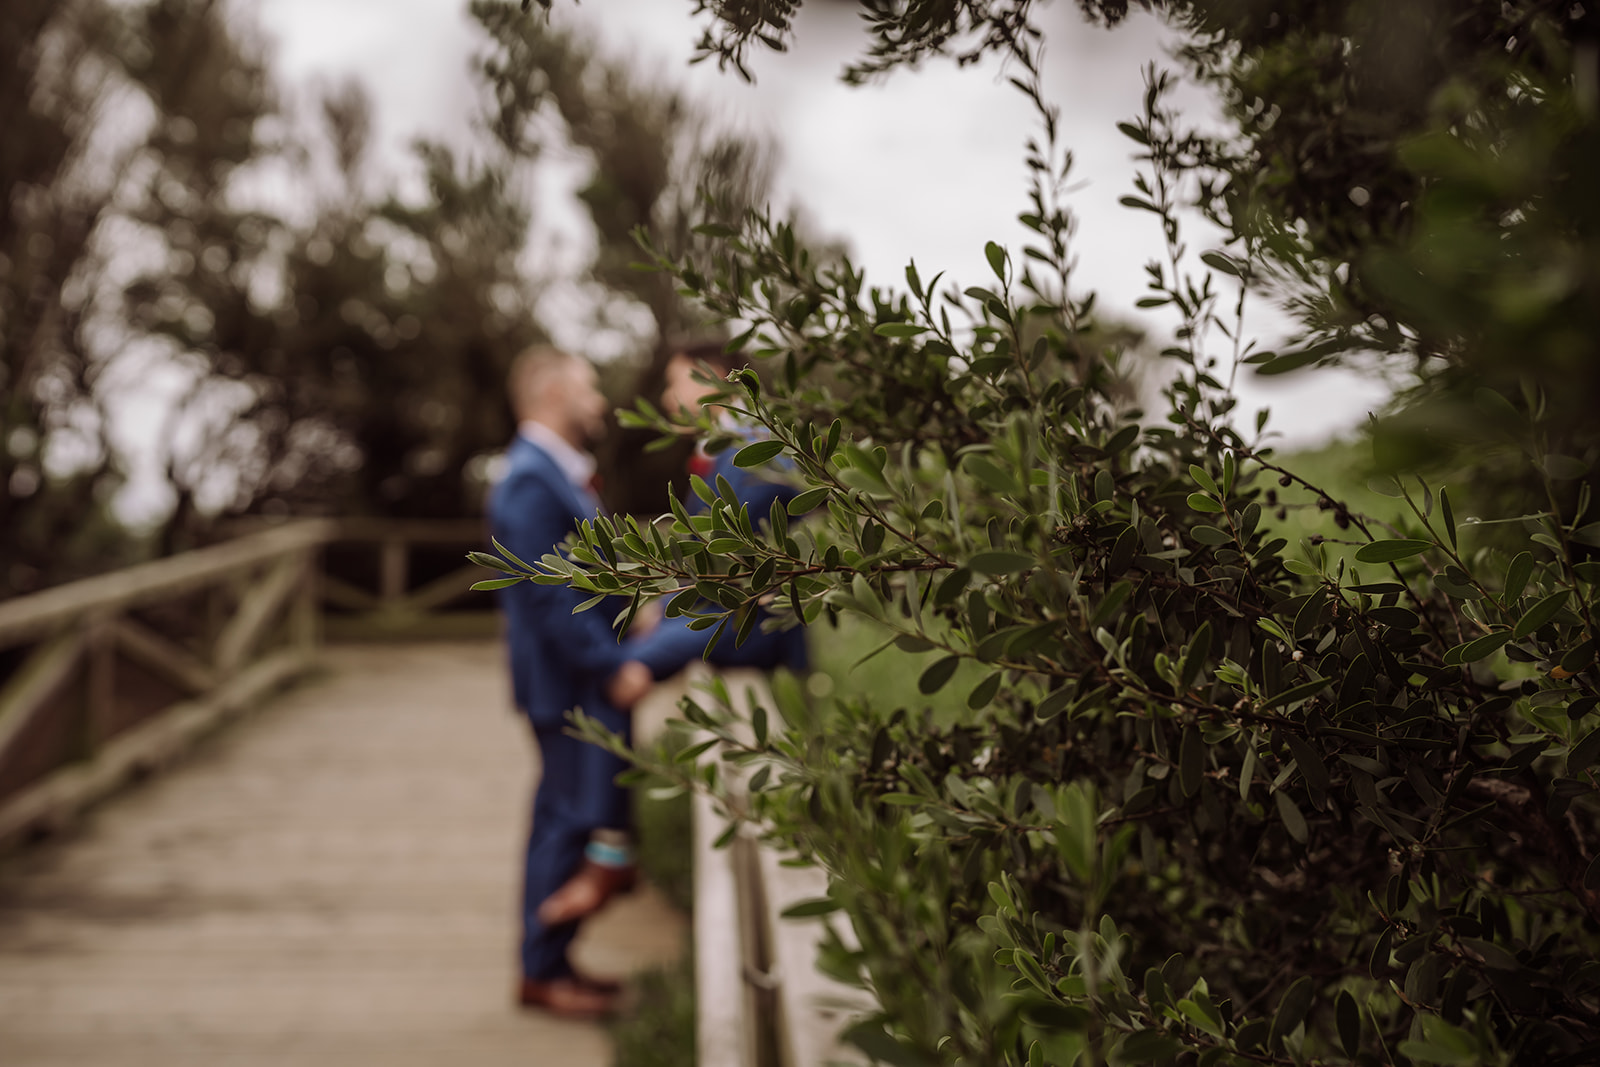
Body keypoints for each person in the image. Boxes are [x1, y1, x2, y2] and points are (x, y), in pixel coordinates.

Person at [488, 345, 655, 1019]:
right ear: (553, 395)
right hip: (567, 683)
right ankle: (541, 970)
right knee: (563, 821)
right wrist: (611, 665)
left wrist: (630, 606)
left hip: (572, 676)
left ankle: (556, 955)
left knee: (578, 819)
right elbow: (550, 595)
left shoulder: (552, 473)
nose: (600, 404)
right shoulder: (530, 479)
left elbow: (580, 575)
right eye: (589, 390)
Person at [631, 341, 808, 679]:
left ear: (711, 380)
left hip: (755, 636)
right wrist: (658, 609)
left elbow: (720, 564)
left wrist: (659, 619)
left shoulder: (760, 451)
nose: (668, 399)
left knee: (622, 666)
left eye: (675, 382)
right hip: (727, 625)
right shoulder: (730, 449)